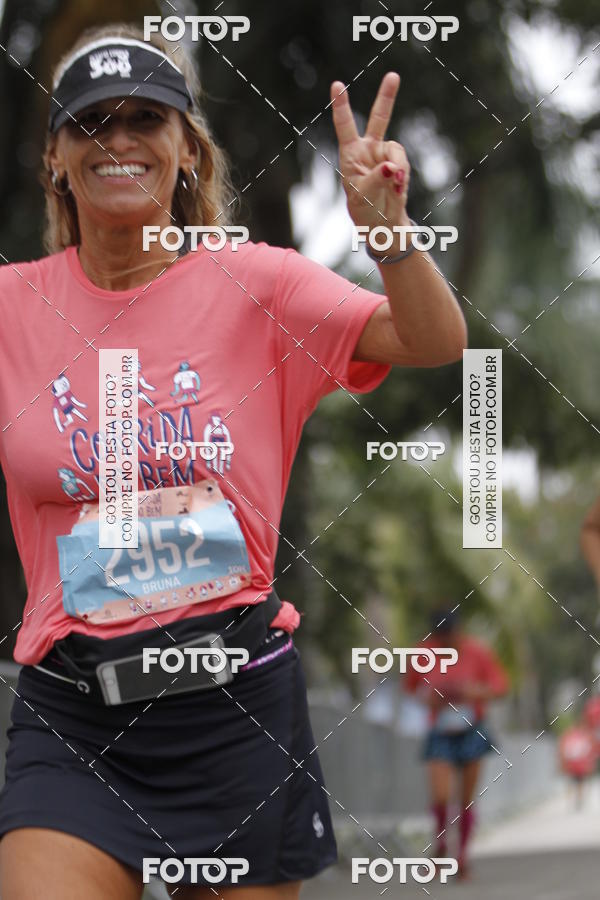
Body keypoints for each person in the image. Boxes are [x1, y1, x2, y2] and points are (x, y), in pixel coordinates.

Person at [0, 22, 466, 900]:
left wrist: (390, 231)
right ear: (56, 158)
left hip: (232, 710)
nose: (120, 140)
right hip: (73, 716)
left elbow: (435, 341)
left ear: (188, 152)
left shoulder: (259, 285)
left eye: (146, 117)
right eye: (92, 121)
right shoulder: (11, 307)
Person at [404, 609, 509, 879]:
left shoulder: (478, 652)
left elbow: (500, 686)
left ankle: (462, 856)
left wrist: (475, 692)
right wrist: (430, 698)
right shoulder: (423, 652)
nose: (445, 641)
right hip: (440, 729)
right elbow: (411, 688)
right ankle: (440, 845)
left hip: (472, 728)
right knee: (440, 795)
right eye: (440, 637)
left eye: (449, 635)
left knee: (465, 797)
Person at [558, 721, 597, 809]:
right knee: (579, 782)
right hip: (579, 764)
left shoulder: (568, 737)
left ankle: (573, 800)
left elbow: (564, 751)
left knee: (573, 782)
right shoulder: (583, 737)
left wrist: (563, 762)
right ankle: (577, 800)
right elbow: (588, 750)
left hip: (573, 764)